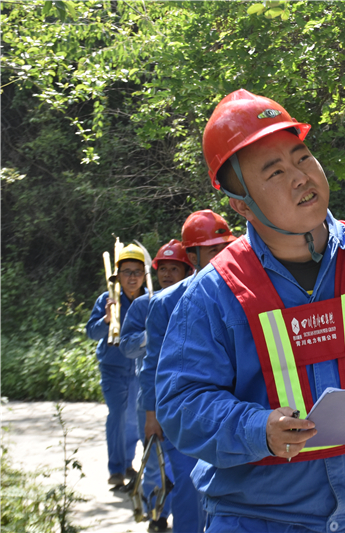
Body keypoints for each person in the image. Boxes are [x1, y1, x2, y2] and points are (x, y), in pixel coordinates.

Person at [153, 88, 345, 533]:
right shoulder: (215, 294)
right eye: (275, 172)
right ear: (241, 205)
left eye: (303, 158)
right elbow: (181, 403)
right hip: (256, 522)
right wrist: (256, 428)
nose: (300, 177)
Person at [141, 211, 237, 533]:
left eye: (225, 247)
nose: (222, 255)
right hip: (183, 414)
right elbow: (153, 365)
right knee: (189, 487)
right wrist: (151, 415)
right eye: (213, 250)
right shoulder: (167, 304)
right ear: (192, 256)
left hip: (229, 412)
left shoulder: (242, 294)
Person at [119, 239, 194, 532]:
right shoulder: (143, 305)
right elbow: (126, 346)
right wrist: (153, 334)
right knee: (154, 460)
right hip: (149, 396)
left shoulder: (193, 299)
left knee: (185, 465)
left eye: (174, 268)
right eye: (163, 268)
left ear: (187, 271)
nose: (167, 274)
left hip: (184, 395)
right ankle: (157, 515)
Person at [86, 243, 147, 487]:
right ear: (118, 275)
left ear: (144, 274)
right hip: (113, 368)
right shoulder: (108, 299)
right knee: (118, 416)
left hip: (140, 369)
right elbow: (91, 332)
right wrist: (107, 319)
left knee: (133, 418)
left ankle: (127, 463)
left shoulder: (150, 299)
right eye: (127, 272)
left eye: (137, 272)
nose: (132, 277)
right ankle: (116, 469)